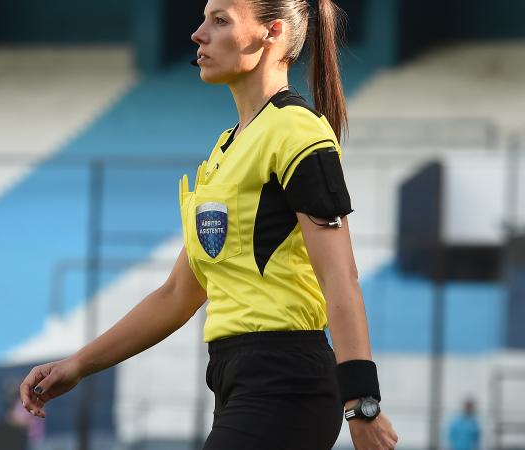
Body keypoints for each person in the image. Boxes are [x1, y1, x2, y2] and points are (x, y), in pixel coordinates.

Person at [20, 0, 399, 449]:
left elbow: (341, 280)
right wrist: (78, 364)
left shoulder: (298, 133)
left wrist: (361, 401)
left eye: (220, 21)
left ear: (271, 33)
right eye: (205, 20)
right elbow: (178, 294)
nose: (199, 34)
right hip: (235, 382)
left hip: (286, 384)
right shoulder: (225, 149)